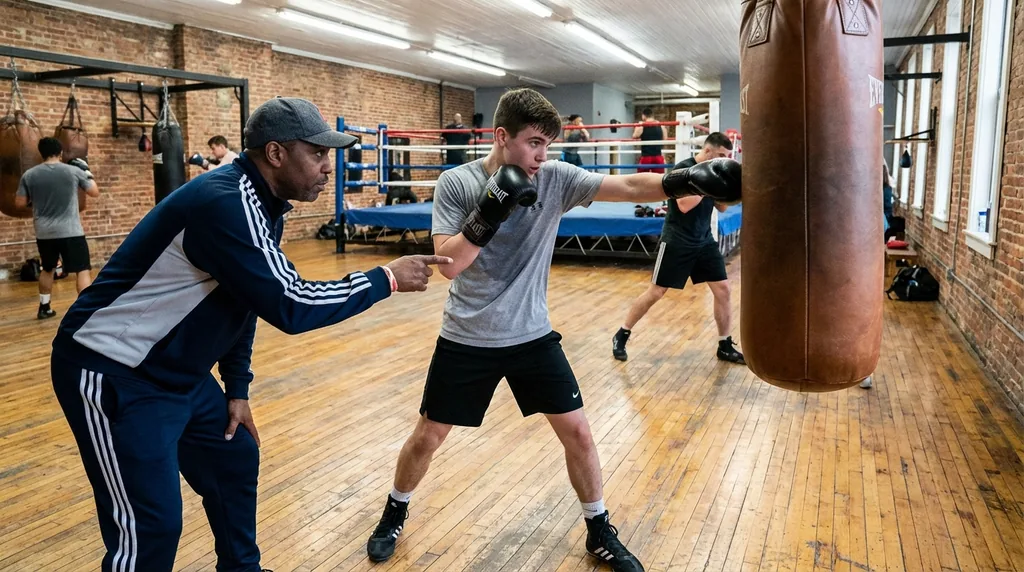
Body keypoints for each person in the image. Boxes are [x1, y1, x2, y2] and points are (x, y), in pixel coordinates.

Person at [48, 97, 450, 572]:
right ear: (276, 153)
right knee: (149, 526)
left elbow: (243, 300)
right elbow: (291, 304)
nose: (327, 167)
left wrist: (236, 387)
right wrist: (384, 278)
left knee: (233, 459)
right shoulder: (226, 203)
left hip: (178, 374)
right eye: (317, 154)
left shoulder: (264, 203)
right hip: (113, 371)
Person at [365, 88, 740, 571]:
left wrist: (687, 178)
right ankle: (395, 509)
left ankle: (598, 527)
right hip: (468, 337)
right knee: (429, 436)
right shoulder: (456, 184)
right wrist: (490, 210)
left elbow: (624, 188)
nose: (543, 156)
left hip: (532, 336)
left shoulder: (556, 177)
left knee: (579, 433)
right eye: (534, 143)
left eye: (549, 144)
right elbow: (449, 267)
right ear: (501, 137)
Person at [612, 132, 745, 365]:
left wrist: (729, 187)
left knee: (723, 289)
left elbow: (722, 208)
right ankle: (622, 333)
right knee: (656, 292)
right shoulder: (683, 171)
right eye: (721, 156)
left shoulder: (715, 171)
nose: (724, 159)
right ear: (708, 151)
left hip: (703, 241)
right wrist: (708, 184)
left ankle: (724, 344)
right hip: (677, 240)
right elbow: (684, 205)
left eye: (727, 156)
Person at [14, 136, 99, 319]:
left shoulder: (29, 175)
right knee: (82, 270)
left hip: (44, 233)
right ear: (60, 152)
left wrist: (35, 201)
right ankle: (85, 311)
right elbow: (94, 192)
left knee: (47, 269)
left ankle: (44, 308)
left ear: (41, 153)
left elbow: (19, 203)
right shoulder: (73, 171)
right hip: (71, 231)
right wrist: (86, 170)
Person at [632, 108, 668, 173]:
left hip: (646, 156)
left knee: (641, 177)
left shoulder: (642, 125)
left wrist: (638, 125)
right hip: (658, 156)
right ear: (652, 115)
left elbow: (634, 136)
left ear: (643, 116)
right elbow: (665, 138)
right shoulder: (661, 125)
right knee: (659, 178)